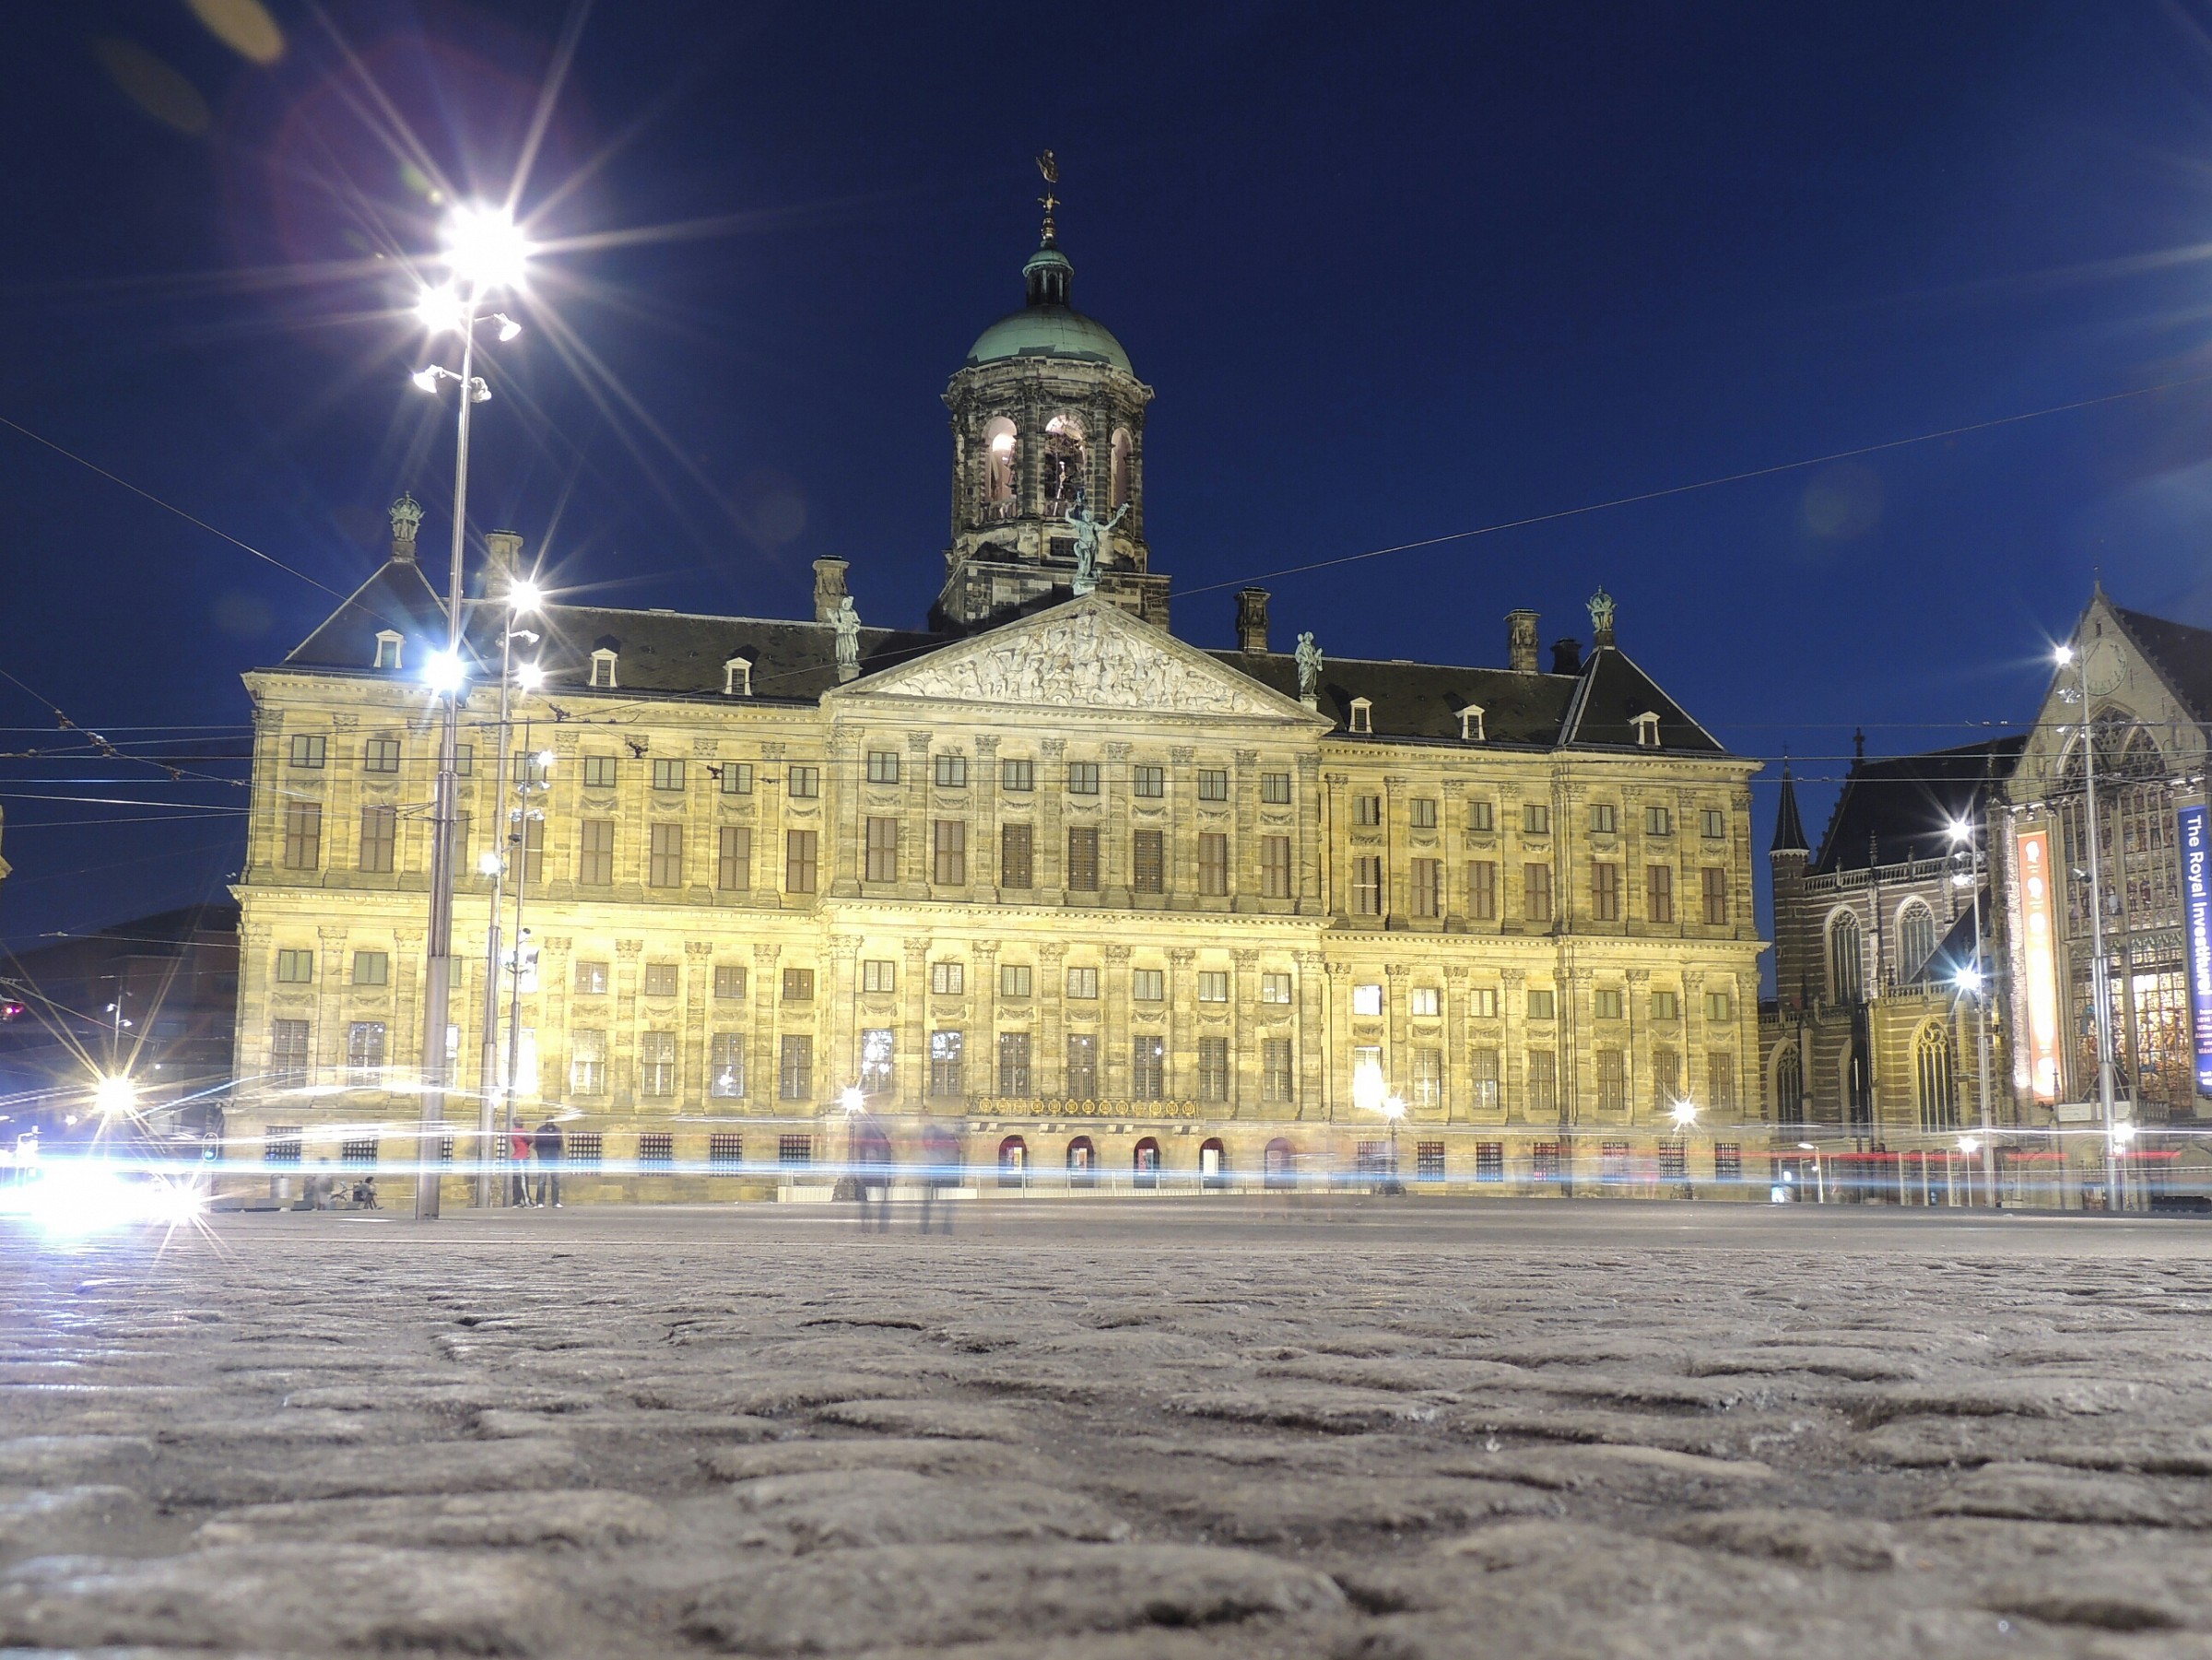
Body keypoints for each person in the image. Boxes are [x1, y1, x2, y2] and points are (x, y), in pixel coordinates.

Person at [533, 1119, 563, 1207]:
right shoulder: (540, 1130)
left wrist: (562, 1155)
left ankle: (555, 1202)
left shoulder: (558, 1130)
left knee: (556, 1181)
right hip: (543, 1158)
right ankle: (540, 1202)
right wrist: (540, 1154)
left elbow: (561, 1144)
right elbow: (536, 1144)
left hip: (554, 1158)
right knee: (542, 1181)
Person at [510, 1128, 534, 1207]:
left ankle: (517, 1201)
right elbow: (531, 1139)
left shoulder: (514, 1132)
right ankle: (527, 1201)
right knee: (523, 1180)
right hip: (521, 1158)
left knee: (517, 1181)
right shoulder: (519, 1131)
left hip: (518, 1158)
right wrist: (527, 1132)